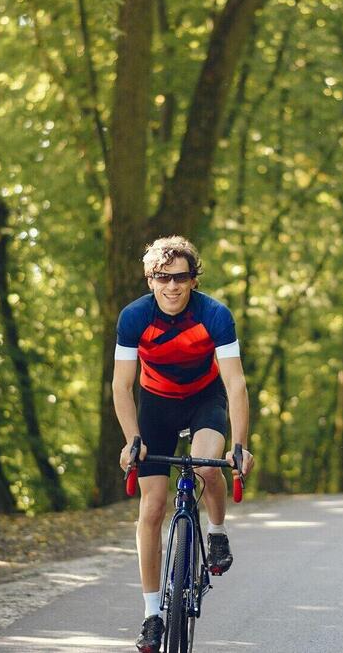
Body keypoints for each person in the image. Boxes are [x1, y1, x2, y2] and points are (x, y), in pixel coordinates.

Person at [114, 236, 254, 653]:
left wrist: (241, 445)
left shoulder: (215, 314)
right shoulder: (134, 317)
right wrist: (131, 440)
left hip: (203, 400)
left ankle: (217, 531)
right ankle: (152, 615)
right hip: (155, 405)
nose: (172, 286)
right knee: (153, 506)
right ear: (150, 279)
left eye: (181, 277)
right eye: (163, 277)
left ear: (194, 280)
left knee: (208, 466)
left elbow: (235, 382)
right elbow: (121, 386)